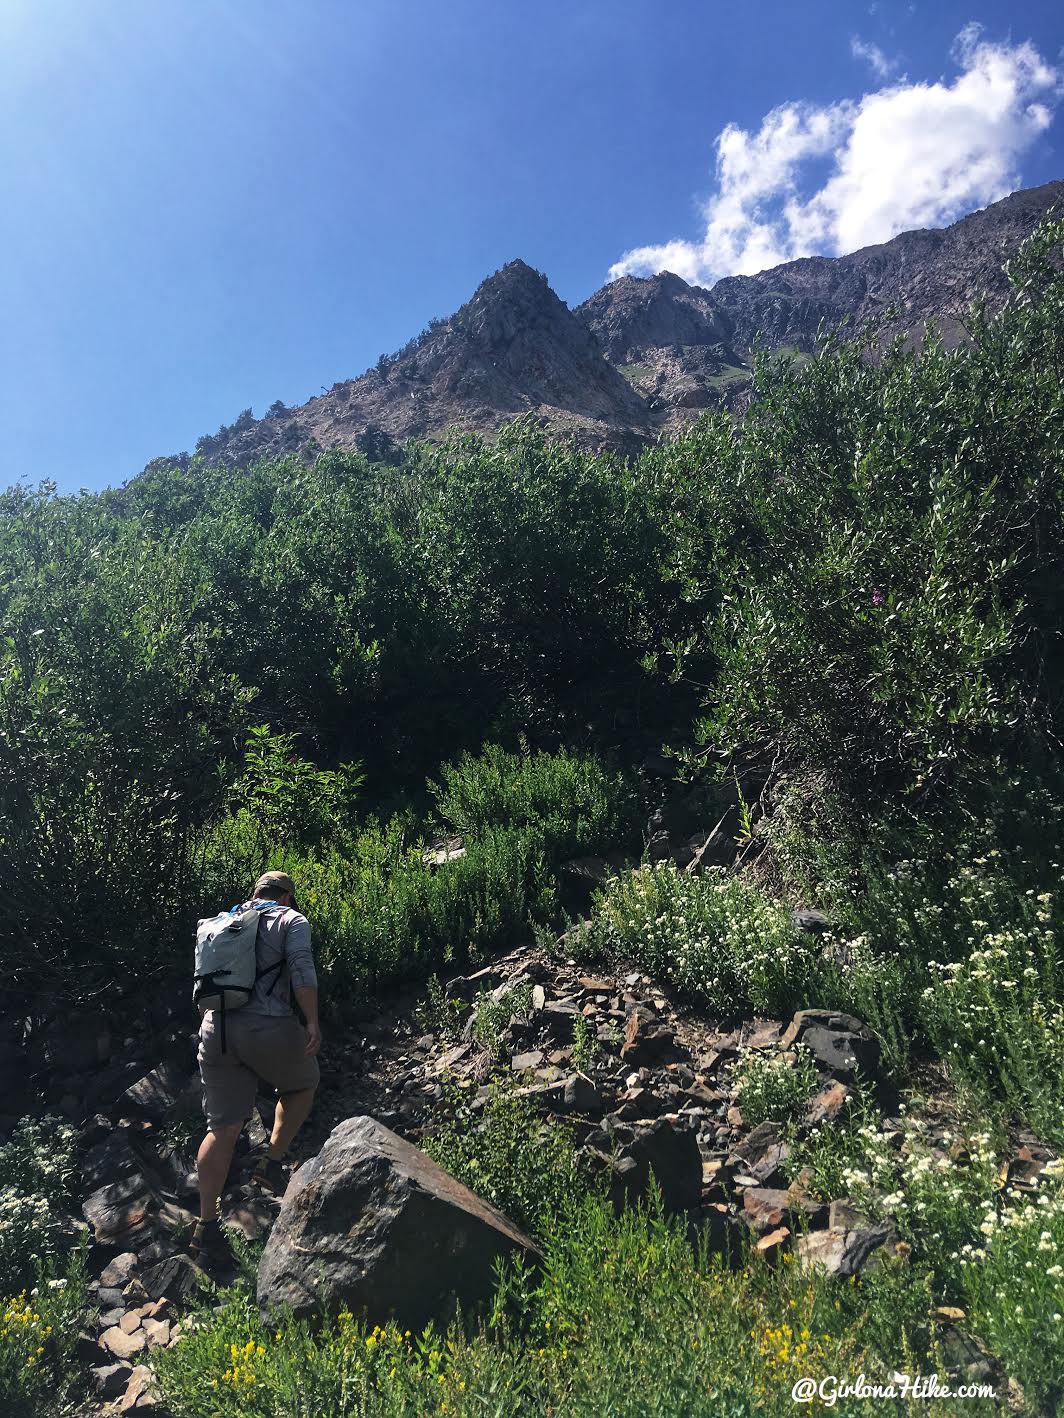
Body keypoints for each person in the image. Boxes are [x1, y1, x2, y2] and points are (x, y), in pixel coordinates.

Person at [189, 870, 321, 1261]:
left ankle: (205, 1227)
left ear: (256, 893)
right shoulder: (290, 920)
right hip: (266, 1025)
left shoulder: (221, 922)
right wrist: (312, 1020)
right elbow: (301, 970)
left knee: (222, 1128)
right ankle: (271, 1161)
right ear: (287, 897)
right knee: (302, 1085)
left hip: (215, 1029)